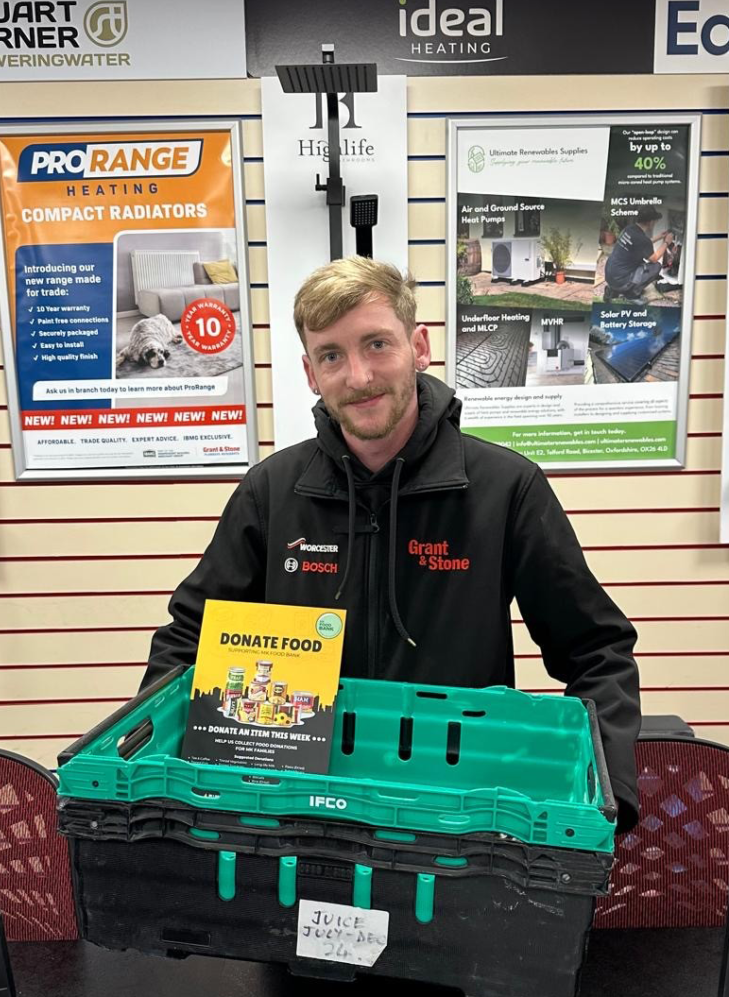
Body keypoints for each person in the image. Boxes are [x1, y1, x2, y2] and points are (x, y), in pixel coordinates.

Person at [143, 257, 642, 832]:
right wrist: (156, 774)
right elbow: (188, 639)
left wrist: (606, 794)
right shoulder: (271, 492)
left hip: (457, 822)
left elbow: (598, 651)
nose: (358, 376)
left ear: (419, 347)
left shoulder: (505, 489)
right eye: (332, 355)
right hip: (300, 819)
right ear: (310, 372)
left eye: (377, 344)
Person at [604, 204, 674, 305]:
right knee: (656, 267)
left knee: (639, 262)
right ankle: (632, 296)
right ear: (650, 222)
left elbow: (640, 245)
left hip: (610, 275)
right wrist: (666, 242)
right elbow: (654, 258)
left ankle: (613, 290)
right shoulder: (642, 239)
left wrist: (659, 237)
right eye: (655, 220)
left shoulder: (629, 229)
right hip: (621, 280)